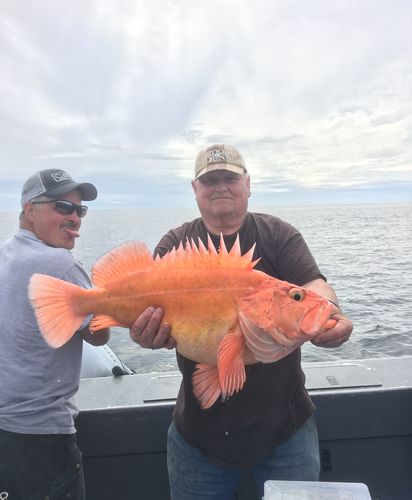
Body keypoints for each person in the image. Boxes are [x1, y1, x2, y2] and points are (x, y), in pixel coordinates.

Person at [130, 144, 353, 500]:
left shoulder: (278, 234)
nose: (221, 186)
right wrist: (143, 334)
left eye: (230, 178)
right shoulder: (176, 244)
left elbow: (313, 285)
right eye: (210, 180)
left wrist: (331, 309)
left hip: (286, 430)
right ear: (195, 189)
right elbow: (144, 308)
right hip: (198, 437)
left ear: (248, 184)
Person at [0, 169, 110, 500]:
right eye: (63, 207)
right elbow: (98, 335)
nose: (74, 217)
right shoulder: (60, 264)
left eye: (80, 210)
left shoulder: (6, 254)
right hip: (41, 437)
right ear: (29, 209)